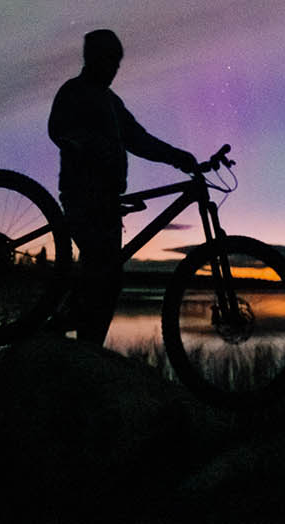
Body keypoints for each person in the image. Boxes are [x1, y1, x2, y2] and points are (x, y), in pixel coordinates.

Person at [48, 28, 198, 346]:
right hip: (82, 194)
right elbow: (57, 128)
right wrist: (83, 145)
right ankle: (65, 329)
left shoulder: (112, 102)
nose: (115, 67)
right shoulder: (74, 90)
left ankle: (85, 346)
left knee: (108, 278)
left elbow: (138, 139)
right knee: (102, 269)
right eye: (110, 59)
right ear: (92, 57)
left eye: (118, 61)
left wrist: (177, 158)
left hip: (108, 201)